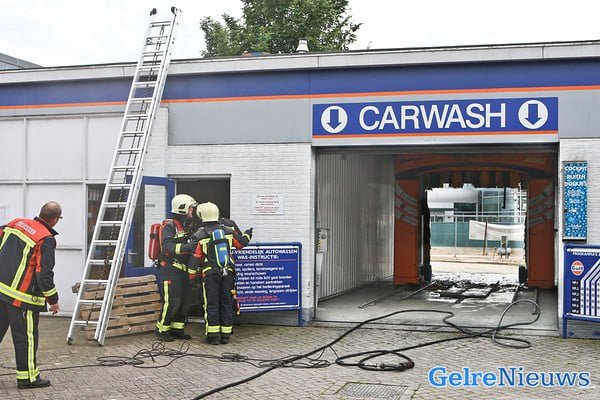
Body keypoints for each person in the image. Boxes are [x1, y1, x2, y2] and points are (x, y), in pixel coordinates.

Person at [0, 202, 61, 389]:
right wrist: (53, 300)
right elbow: (43, 274)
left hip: (1, 290)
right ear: (55, 220)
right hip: (21, 298)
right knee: (25, 338)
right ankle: (28, 378)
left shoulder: (16, 223)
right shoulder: (46, 239)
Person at [189, 202, 252, 345]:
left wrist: (192, 276)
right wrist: (248, 234)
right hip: (228, 272)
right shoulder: (228, 231)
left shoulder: (199, 234)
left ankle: (213, 336)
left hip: (210, 274)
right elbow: (240, 244)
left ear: (201, 216)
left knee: (211, 304)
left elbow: (196, 258)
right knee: (226, 302)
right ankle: (225, 335)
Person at [155, 194, 198, 342]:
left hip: (184, 270)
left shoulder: (188, 225)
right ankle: (162, 330)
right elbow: (167, 247)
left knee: (185, 301)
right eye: (191, 208)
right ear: (183, 209)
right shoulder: (169, 226)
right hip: (170, 270)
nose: (192, 211)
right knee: (172, 302)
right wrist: (187, 247)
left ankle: (177, 329)